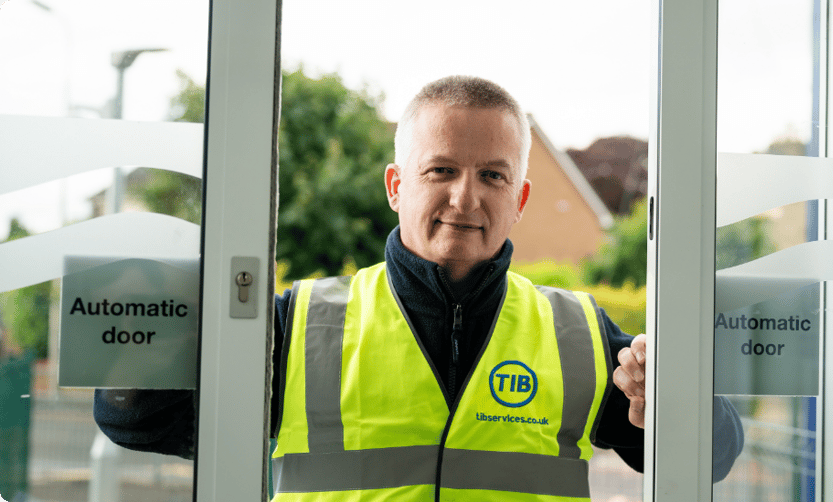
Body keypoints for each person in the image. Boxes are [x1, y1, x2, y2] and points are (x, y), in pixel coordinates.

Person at [94, 76, 743, 499]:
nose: (466, 196)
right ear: (396, 186)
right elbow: (134, 418)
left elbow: (714, 456)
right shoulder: (299, 327)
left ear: (518, 198)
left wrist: (666, 399)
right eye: (441, 170)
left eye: (492, 175)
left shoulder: (578, 334)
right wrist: (152, 326)